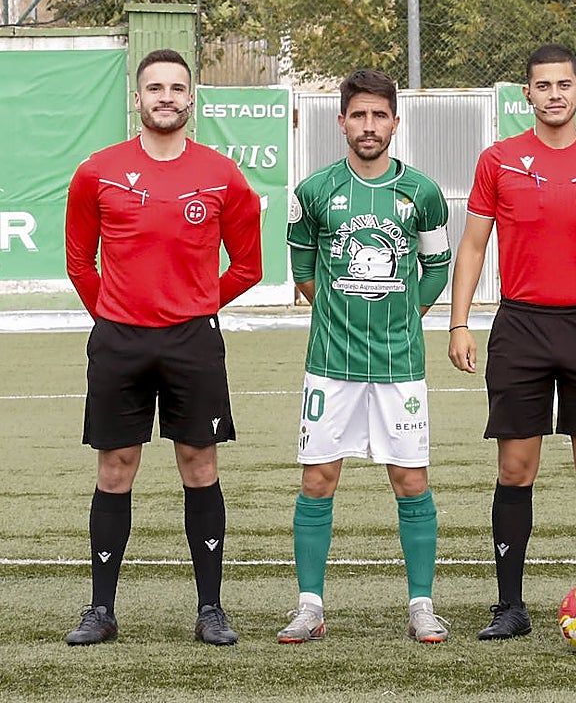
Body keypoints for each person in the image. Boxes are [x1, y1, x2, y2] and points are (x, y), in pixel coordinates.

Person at [448, 43, 576, 640]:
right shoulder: (499, 160)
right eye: (543, 85)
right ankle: (509, 607)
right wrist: (459, 322)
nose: (555, 94)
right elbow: (473, 245)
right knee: (516, 468)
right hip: (520, 328)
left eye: (565, 84)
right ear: (528, 94)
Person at [64, 48, 263, 646]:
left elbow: (248, 266)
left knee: (199, 465)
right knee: (115, 467)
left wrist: (194, 306)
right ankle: (101, 610)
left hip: (192, 341)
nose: (166, 97)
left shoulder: (222, 174)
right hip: (118, 340)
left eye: (177, 88)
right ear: (138, 98)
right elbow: (80, 263)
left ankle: (211, 610)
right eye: (155, 88)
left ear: (191, 98)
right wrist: (114, 312)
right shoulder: (97, 171)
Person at [278, 69, 452, 644]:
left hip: (401, 365)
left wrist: (402, 316)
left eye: (379, 115)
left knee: (411, 480)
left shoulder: (422, 193)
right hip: (331, 364)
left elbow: (437, 267)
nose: (369, 125)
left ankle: (422, 605)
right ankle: (309, 606)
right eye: (359, 115)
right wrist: (341, 313)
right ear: (342, 122)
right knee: (318, 479)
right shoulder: (314, 191)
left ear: (395, 122)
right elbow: (304, 272)